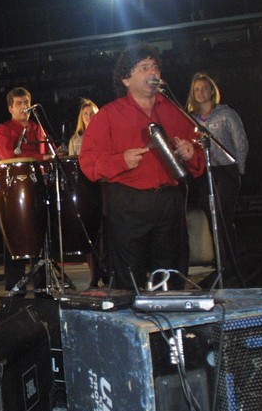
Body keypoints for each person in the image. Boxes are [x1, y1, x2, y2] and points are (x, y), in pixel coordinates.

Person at [80, 44, 204, 290]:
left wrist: (191, 153)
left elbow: (198, 161)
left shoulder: (174, 112)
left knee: (172, 274)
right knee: (129, 278)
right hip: (128, 204)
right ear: (126, 79)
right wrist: (120, 161)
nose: (153, 72)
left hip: (169, 202)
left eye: (155, 67)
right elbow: (88, 163)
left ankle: (171, 326)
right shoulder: (108, 115)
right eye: (144, 67)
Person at [0, 87, 56, 296]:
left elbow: (50, 153)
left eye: (26, 102)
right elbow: (7, 157)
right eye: (18, 103)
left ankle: (42, 287)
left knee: (41, 238)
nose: (24, 107)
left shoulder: (38, 129)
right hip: (13, 190)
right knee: (14, 238)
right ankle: (15, 288)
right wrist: (39, 158)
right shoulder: (3, 129)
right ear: (10, 108)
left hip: (38, 188)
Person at [185, 72, 248, 271]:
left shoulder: (227, 114)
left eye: (204, 88)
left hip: (226, 170)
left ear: (212, 90)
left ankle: (230, 259)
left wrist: (239, 171)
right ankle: (219, 259)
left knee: (223, 215)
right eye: (196, 89)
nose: (200, 92)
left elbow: (241, 143)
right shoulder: (191, 119)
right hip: (205, 172)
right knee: (209, 214)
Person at [67, 98, 103, 287]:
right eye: (85, 114)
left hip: (103, 186)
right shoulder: (76, 139)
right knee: (91, 233)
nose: (89, 116)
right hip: (85, 189)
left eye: (92, 113)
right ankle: (94, 276)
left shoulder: (105, 133)